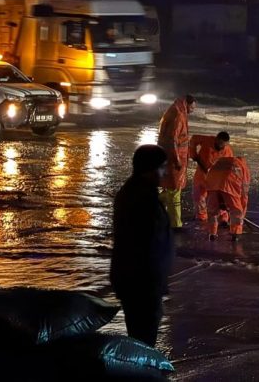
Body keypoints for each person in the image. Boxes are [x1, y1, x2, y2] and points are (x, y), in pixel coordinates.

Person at [110, 145, 173, 347]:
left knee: (141, 336)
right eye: (162, 167)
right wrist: (154, 283)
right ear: (150, 169)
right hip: (141, 284)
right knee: (143, 340)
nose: (165, 172)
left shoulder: (140, 193)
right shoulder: (141, 199)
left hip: (140, 282)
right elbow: (142, 245)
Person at [157, 95, 196, 230]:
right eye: (192, 107)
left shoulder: (175, 111)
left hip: (169, 157)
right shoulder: (178, 116)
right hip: (174, 159)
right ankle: (176, 224)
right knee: (175, 190)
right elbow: (172, 140)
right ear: (187, 104)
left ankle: (150, 203)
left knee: (169, 189)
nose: (193, 110)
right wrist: (177, 160)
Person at [205, 156, 251, 242]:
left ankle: (212, 234)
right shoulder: (243, 168)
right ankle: (235, 234)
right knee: (236, 211)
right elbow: (244, 195)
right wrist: (242, 215)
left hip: (211, 182)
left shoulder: (222, 160)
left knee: (212, 211)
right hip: (229, 184)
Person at [189, 131, 232, 221]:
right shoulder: (207, 140)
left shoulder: (228, 151)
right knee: (198, 196)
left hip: (216, 179)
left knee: (218, 199)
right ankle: (201, 218)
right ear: (216, 139)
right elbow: (193, 139)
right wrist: (193, 154)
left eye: (223, 145)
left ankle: (223, 218)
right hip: (202, 174)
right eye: (220, 143)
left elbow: (229, 167)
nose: (221, 146)